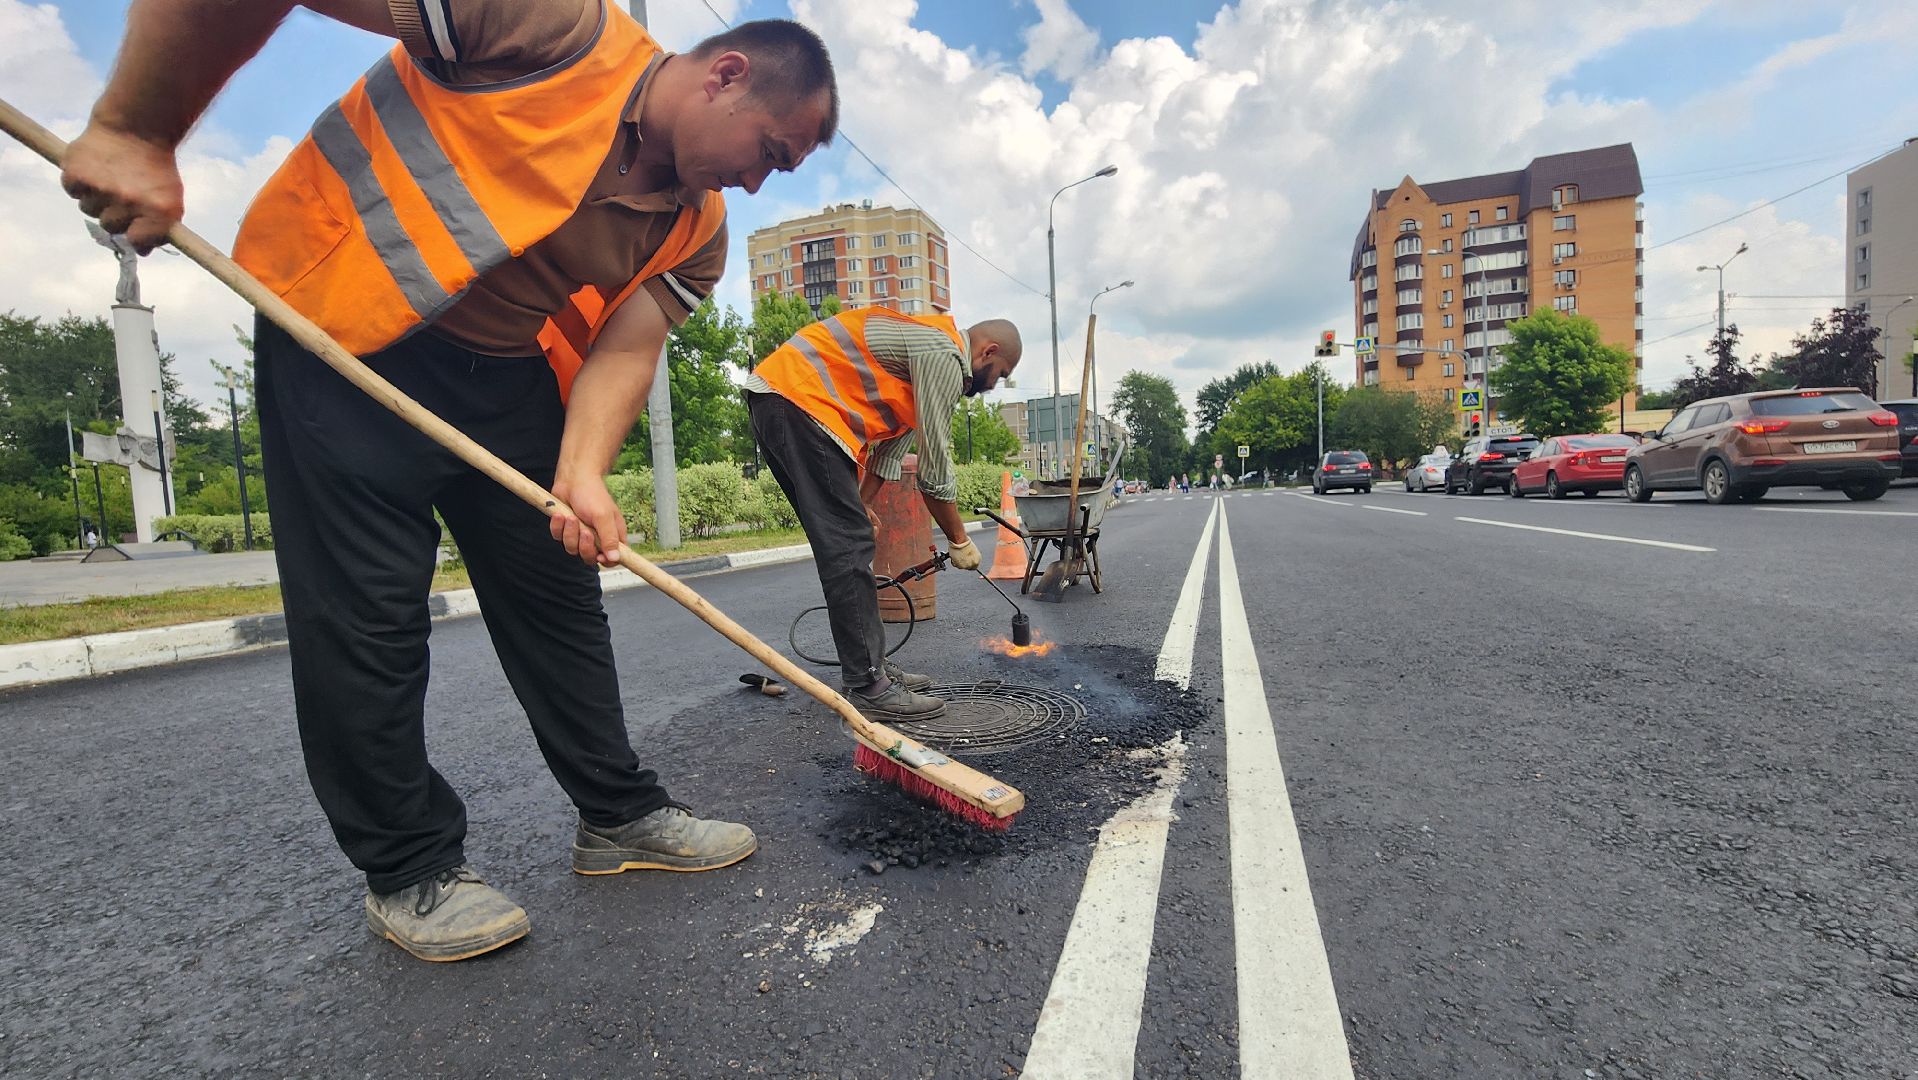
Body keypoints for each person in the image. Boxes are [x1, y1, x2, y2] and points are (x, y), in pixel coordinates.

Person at [62, 0, 838, 963]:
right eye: (770, 151)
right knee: (369, 614)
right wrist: (138, 130)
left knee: (559, 595)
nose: (760, 183)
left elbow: (626, 350)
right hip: (341, 330)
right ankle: (411, 868)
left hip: (500, 368)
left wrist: (583, 474)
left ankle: (618, 818)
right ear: (725, 75)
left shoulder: (698, 227)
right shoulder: (553, 26)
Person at [747, 310, 1020, 721]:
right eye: (1000, 373)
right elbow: (934, 473)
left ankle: (870, 668)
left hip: (790, 403)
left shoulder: (922, 364)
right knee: (847, 547)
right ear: (988, 351)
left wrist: (864, 503)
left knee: (852, 538)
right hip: (798, 401)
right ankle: (869, 686)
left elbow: (890, 454)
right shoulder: (943, 355)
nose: (994, 384)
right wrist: (959, 540)